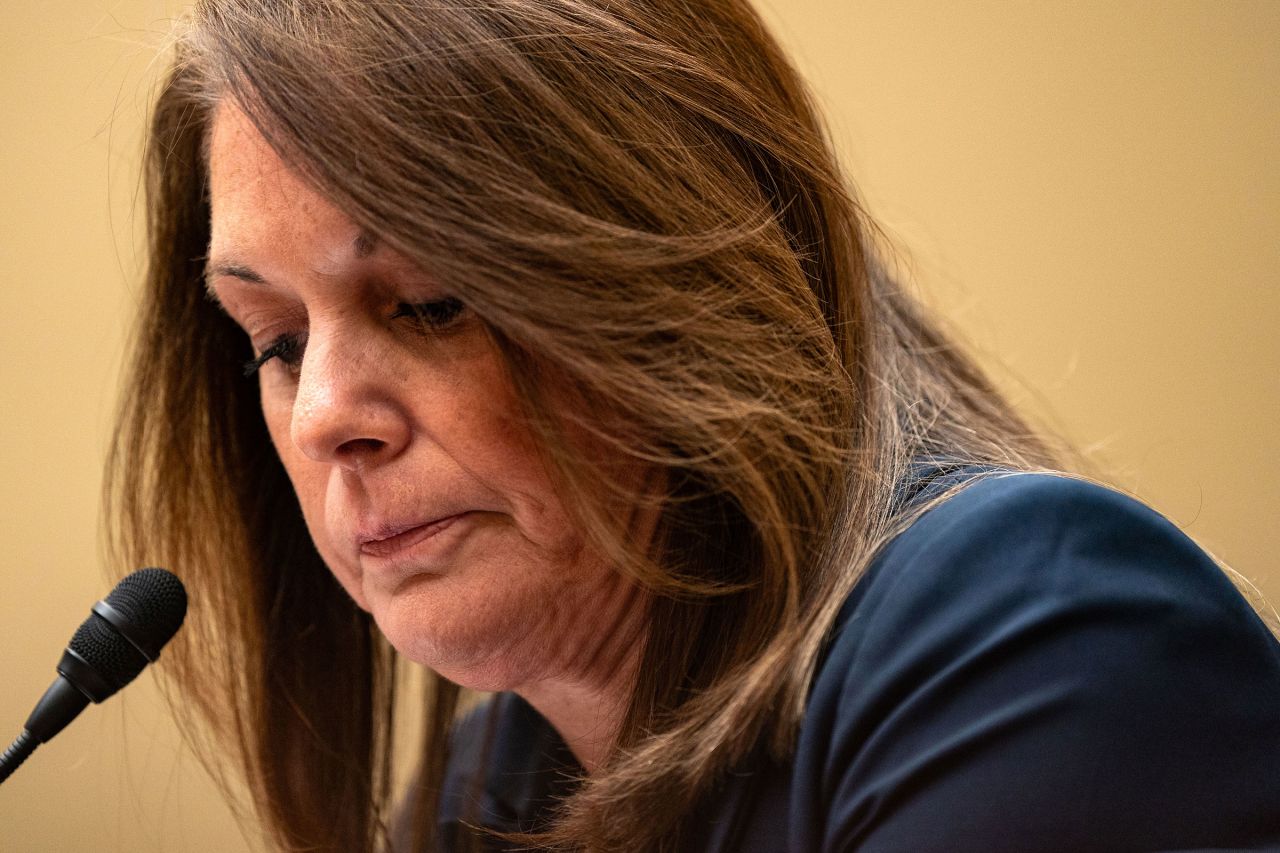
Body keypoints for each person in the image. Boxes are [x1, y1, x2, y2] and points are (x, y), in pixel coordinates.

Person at [106, 1, 1280, 852]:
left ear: (675, 291)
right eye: (276, 342)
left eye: (428, 302)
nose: (320, 421)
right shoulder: (491, 788)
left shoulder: (1035, 637)